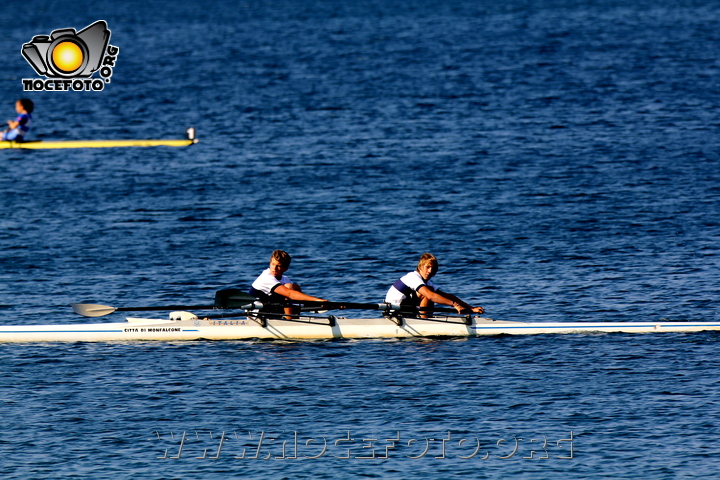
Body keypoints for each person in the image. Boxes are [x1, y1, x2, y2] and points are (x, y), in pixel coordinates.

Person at [385, 253, 484, 316]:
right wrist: (455, 305)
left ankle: (425, 318)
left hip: (405, 309)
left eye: (433, 268)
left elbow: (446, 296)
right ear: (420, 267)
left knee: (432, 292)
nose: (430, 271)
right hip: (393, 311)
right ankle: (424, 321)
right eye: (427, 267)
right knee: (429, 293)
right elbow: (431, 296)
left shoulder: (426, 282)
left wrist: (470, 308)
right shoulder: (413, 277)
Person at [250, 250, 328, 317]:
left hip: (272, 310)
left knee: (295, 287)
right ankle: (290, 321)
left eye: (278, 266)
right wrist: (317, 300)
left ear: (285, 268)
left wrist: (320, 303)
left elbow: (295, 297)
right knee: (289, 288)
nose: (274, 268)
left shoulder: (285, 279)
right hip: (257, 315)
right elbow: (290, 294)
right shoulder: (265, 277)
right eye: (273, 264)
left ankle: (293, 318)